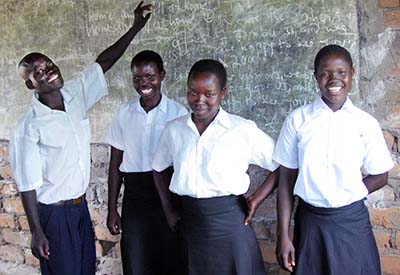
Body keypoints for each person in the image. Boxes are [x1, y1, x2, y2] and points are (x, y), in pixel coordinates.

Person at [9, 2, 153, 275]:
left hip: (79, 208)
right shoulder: (28, 127)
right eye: (38, 72)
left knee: (85, 269)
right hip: (53, 215)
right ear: (30, 85)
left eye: (48, 64)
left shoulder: (74, 96)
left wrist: (135, 27)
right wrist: (36, 232)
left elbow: (104, 62)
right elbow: (27, 185)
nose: (48, 71)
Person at [152, 59, 280, 275]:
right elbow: (158, 168)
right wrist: (168, 209)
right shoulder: (174, 130)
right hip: (190, 226)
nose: (200, 100)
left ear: (223, 93)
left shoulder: (242, 130)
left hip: (230, 224)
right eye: (193, 92)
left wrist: (256, 200)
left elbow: (281, 165)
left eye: (209, 94)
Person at [274, 44, 393, 275]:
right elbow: (286, 181)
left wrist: (348, 190)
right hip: (310, 222)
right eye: (325, 73)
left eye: (341, 72)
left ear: (352, 74)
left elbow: (381, 175)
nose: (333, 79)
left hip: (352, 223)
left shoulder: (364, 123)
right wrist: (283, 235)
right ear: (315, 77)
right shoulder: (298, 120)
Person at [106, 50, 187, 275]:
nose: (144, 83)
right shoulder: (124, 113)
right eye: (138, 78)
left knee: (170, 257)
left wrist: (179, 207)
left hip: (168, 193)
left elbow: (183, 162)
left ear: (162, 75)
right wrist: (112, 209)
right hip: (136, 196)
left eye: (150, 76)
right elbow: (115, 165)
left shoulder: (178, 113)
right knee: (136, 258)